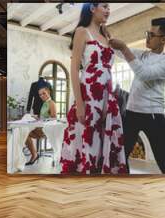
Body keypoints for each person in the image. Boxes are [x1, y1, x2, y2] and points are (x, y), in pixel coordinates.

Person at [60, 3, 127, 174]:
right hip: (88, 96)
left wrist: (110, 100)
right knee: (88, 144)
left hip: (107, 98)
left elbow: (108, 71)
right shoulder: (82, 32)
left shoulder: (107, 35)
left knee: (106, 146)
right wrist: (80, 104)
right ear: (92, 8)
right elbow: (74, 69)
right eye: (104, 6)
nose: (108, 10)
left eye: (109, 7)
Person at [109, 17, 165, 174]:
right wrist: (107, 36)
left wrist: (124, 47)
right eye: (148, 33)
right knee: (121, 155)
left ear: (163, 39)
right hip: (132, 113)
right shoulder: (143, 55)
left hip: (153, 116)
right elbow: (118, 51)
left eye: (151, 35)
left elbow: (144, 73)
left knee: (163, 159)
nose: (147, 37)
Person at [25, 86, 56, 166]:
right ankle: (34, 154)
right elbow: (44, 117)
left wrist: (41, 119)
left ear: (48, 93)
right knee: (24, 133)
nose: (42, 96)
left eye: (44, 93)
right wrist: (37, 117)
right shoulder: (44, 104)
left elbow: (53, 119)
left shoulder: (51, 103)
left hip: (46, 130)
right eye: (40, 94)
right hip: (40, 127)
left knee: (25, 133)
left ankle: (34, 155)